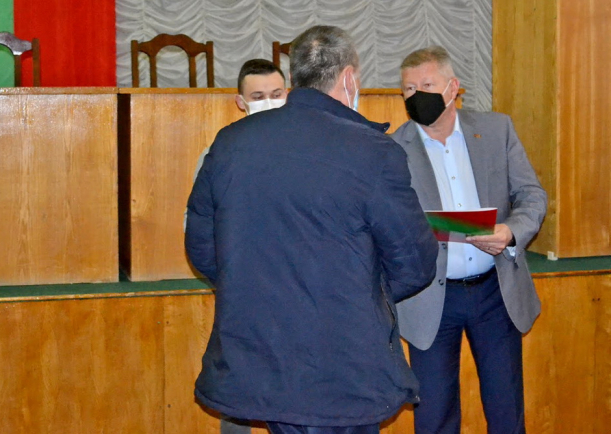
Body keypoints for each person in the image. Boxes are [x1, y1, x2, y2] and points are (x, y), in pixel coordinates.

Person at [185, 25, 439, 434]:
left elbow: (202, 247)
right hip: (343, 360)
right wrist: (361, 296)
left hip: (261, 355)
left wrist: (256, 291)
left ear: (294, 75)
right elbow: (414, 260)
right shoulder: (373, 151)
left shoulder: (231, 142)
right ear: (349, 78)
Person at [392, 46, 547, 434]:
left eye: (427, 85)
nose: (417, 95)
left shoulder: (496, 130)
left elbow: (532, 195)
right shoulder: (392, 149)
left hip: (495, 292)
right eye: (408, 89)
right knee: (434, 416)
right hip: (430, 297)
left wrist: (510, 232)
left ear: (453, 88)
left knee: (506, 410)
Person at [189, 59, 287, 434]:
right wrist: (232, 278)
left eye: (276, 94)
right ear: (240, 102)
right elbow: (198, 232)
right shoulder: (219, 153)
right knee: (238, 398)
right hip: (244, 298)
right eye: (258, 96)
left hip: (300, 294)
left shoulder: (308, 151)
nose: (269, 102)